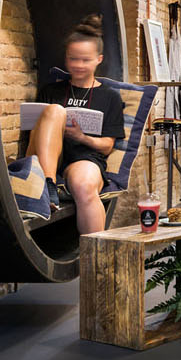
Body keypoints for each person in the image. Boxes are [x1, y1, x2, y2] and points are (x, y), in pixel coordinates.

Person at [26, 12, 125, 234]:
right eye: (73, 58)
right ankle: (49, 184)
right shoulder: (51, 91)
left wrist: (82, 137)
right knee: (55, 111)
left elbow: (108, 145)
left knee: (84, 185)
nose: (78, 65)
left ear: (98, 59)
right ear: (65, 58)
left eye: (85, 60)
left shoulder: (109, 97)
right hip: (44, 158)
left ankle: (95, 257)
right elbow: (34, 131)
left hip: (83, 158)